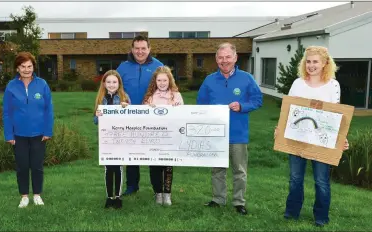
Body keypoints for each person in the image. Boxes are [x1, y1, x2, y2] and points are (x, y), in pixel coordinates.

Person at [275, 46, 349, 227]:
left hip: (321, 141)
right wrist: (279, 128)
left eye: (315, 61)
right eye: (308, 61)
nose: (311, 65)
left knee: (321, 181)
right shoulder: (297, 83)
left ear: (325, 63)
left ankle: (321, 218)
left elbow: (337, 115)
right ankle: (291, 214)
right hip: (297, 138)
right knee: (295, 179)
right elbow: (288, 110)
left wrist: (341, 139)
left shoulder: (333, 85)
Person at [197, 42, 263, 215]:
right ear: (216, 59)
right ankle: (218, 199)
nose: (224, 61)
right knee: (217, 169)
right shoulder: (209, 80)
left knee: (239, 170)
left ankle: (239, 202)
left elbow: (257, 100)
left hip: (238, 134)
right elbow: (200, 104)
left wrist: (242, 106)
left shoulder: (246, 78)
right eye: (220, 57)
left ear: (235, 58)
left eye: (228, 57)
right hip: (216, 133)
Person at [2, 52, 54, 208]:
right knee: (22, 166)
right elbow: (7, 112)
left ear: (33, 67)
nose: (26, 69)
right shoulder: (11, 86)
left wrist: (47, 131)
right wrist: (9, 134)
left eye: (29, 66)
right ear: (17, 68)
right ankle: (24, 196)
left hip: (39, 134)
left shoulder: (42, 84)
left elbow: (48, 110)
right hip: (19, 135)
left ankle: (37, 195)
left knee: (37, 166)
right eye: (23, 66)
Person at [117, 35, 164, 195]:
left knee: (154, 153)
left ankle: (157, 188)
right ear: (132, 49)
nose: (140, 51)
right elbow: (114, 88)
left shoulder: (158, 66)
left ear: (149, 49)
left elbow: (168, 87)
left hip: (153, 117)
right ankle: (132, 186)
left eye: (143, 48)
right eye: (137, 48)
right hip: (129, 117)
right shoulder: (123, 67)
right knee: (131, 153)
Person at [142, 66, 184, 206]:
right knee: (154, 167)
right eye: (159, 80)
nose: (162, 83)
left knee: (168, 166)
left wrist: (178, 109)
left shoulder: (176, 95)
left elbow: (183, 114)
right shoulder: (150, 97)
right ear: (155, 81)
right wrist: (149, 109)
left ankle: (167, 194)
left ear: (169, 80)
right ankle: (158, 193)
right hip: (153, 137)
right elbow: (142, 116)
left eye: (164, 80)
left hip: (170, 137)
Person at [93, 70, 130, 209]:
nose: (111, 84)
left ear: (119, 83)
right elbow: (95, 121)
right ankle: (109, 197)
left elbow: (133, 117)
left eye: (114, 82)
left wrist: (127, 108)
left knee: (118, 168)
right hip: (106, 139)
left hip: (120, 138)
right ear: (104, 83)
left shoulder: (124, 97)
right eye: (108, 82)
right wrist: (98, 115)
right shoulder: (100, 98)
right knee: (108, 168)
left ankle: (118, 197)